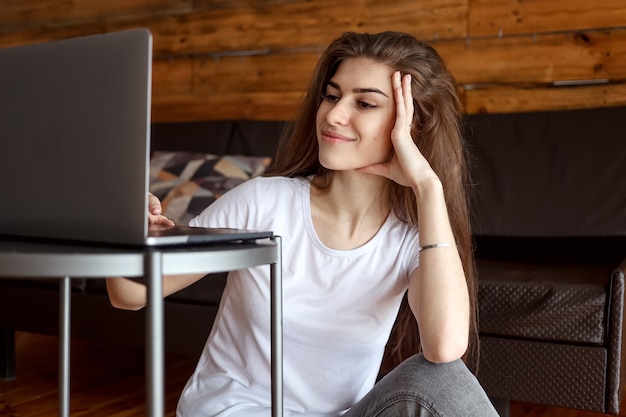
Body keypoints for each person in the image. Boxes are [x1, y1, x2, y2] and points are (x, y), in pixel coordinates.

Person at [106, 31, 498, 417]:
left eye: (364, 103)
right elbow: (129, 294)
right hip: (234, 411)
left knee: (442, 380)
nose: (334, 113)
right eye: (332, 95)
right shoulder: (264, 201)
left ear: (411, 126)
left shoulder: (412, 238)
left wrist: (428, 187)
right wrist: (122, 225)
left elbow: (445, 348)